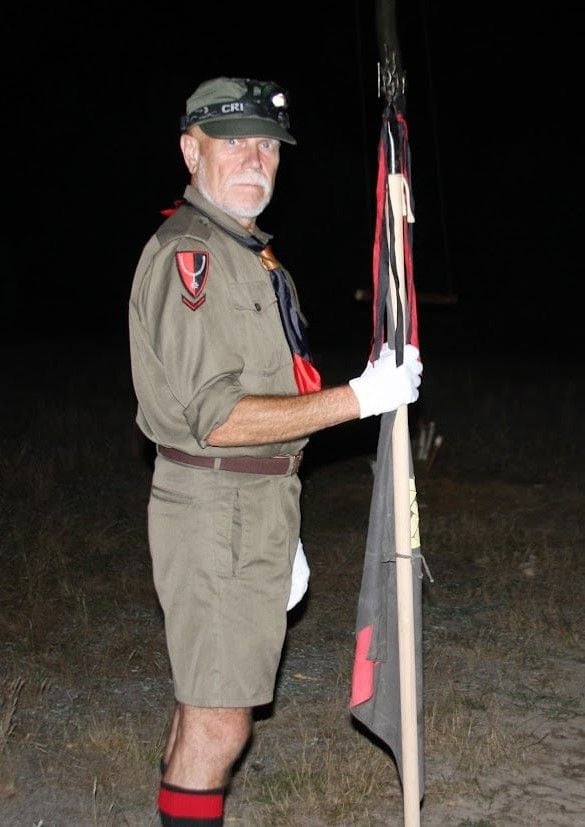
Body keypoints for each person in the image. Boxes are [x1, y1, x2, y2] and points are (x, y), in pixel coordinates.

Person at [128, 76, 422, 826]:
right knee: (221, 723)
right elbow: (218, 416)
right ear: (191, 151)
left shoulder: (246, 255)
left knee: (203, 705)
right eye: (233, 143)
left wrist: (280, 517)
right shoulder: (189, 257)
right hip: (217, 507)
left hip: (251, 501)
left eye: (267, 145)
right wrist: (359, 398)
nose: (254, 159)